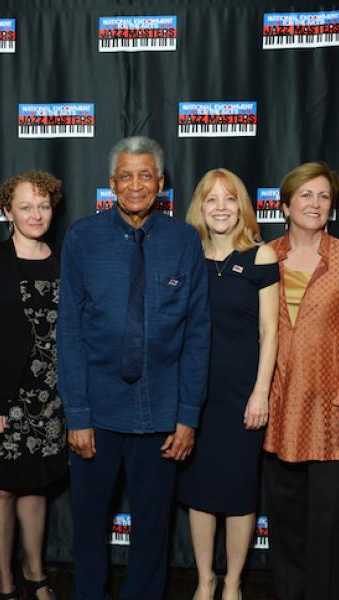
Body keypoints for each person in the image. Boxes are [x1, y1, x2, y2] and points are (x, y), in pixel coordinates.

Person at [57, 136, 210, 600]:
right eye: (126, 175)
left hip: (162, 413)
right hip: (98, 412)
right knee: (87, 523)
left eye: (146, 175)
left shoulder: (185, 241)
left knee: (152, 526)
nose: (136, 184)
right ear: (111, 183)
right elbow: (69, 332)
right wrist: (77, 415)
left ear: (160, 183)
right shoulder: (82, 238)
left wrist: (187, 416)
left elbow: (198, 333)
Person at [177, 169, 279, 600]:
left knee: (239, 490)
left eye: (230, 198)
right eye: (211, 199)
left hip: (241, 394)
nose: (221, 207)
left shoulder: (262, 257)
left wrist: (260, 393)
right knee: (199, 490)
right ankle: (205, 579)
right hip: (195, 394)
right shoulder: (185, 257)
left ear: (242, 206)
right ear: (200, 207)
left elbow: (270, 332)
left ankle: (234, 581)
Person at [0, 171, 65, 600]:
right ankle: (4, 578)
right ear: (7, 212)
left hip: (52, 400)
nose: (36, 214)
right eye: (25, 206)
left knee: (35, 487)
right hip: (4, 399)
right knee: (3, 488)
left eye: (43, 206)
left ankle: (35, 573)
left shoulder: (64, 260)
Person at [262, 162, 339, 600]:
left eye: (324, 196)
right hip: (277, 407)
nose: (315, 204)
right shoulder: (263, 257)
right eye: (306, 195)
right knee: (286, 517)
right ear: (286, 205)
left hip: (330, 410)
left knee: (327, 521)